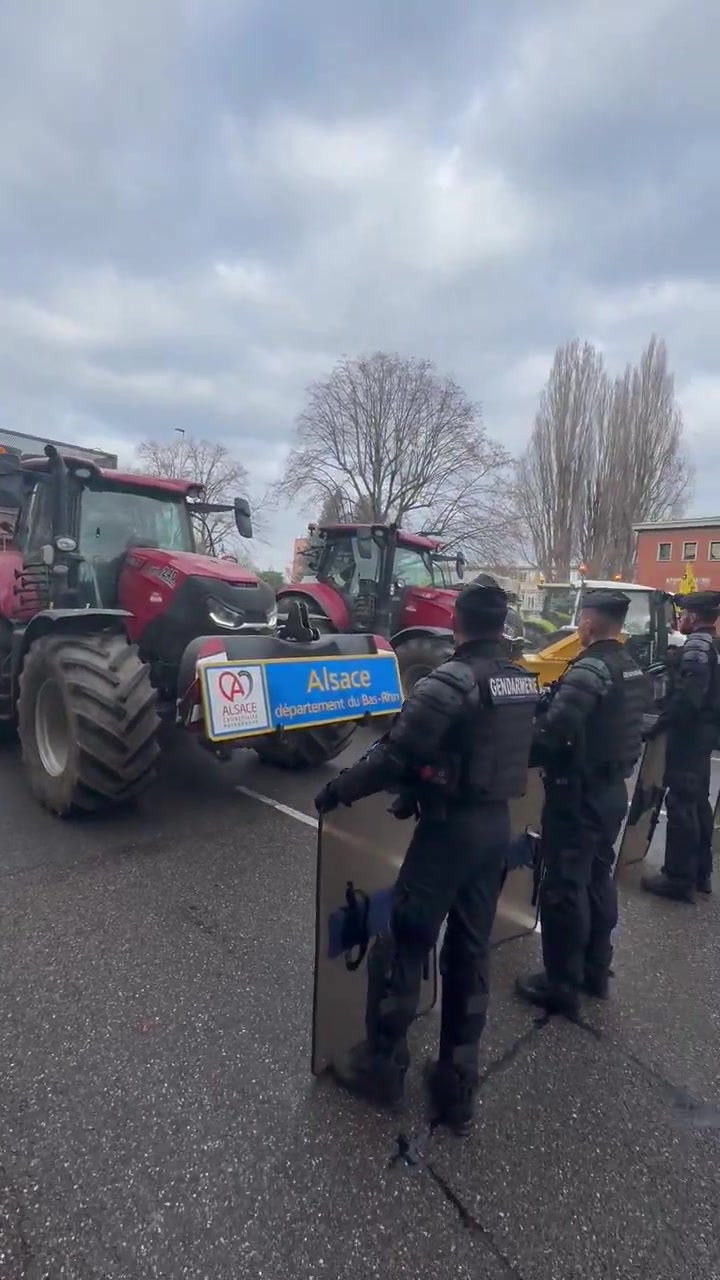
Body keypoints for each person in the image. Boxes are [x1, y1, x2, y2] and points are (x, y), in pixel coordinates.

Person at [314, 581, 538, 1133]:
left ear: (457, 624)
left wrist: (341, 789)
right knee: (469, 953)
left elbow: (395, 752)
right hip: (493, 827)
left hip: (449, 835)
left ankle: (382, 1068)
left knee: (402, 943)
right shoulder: (520, 681)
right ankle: (456, 1088)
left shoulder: (452, 680)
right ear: (501, 624)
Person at [515, 589, 648, 1019]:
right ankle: (595, 969)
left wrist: (514, 753)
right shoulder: (630, 667)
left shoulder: (590, 670)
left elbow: (555, 733)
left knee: (563, 887)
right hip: (610, 793)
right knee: (596, 878)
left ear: (588, 624)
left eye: (581, 620)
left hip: (577, 795)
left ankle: (560, 984)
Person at [641, 590, 720, 903]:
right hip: (705, 733)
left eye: (684, 613)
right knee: (699, 802)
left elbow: (688, 700)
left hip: (690, 735)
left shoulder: (697, 646)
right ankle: (701, 874)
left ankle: (677, 878)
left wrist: (659, 724)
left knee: (681, 804)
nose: (681, 619)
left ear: (694, 617)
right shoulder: (712, 644)